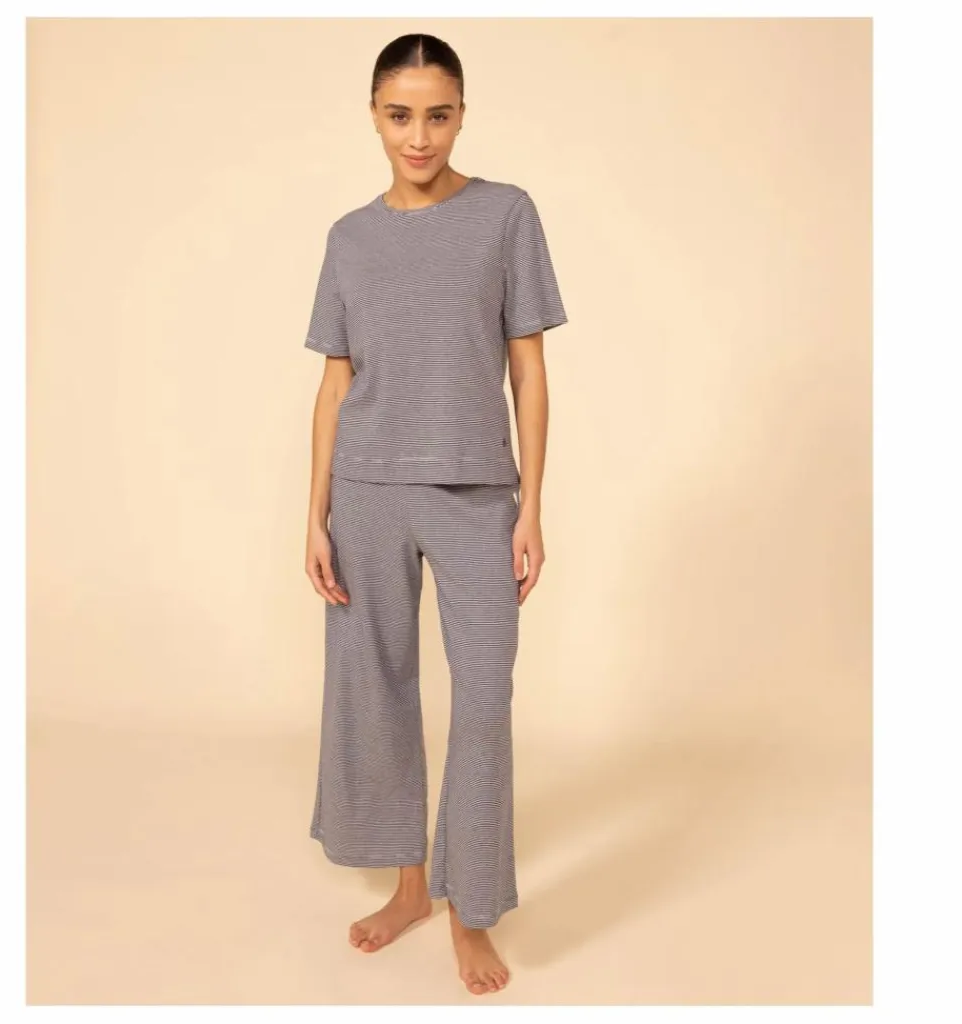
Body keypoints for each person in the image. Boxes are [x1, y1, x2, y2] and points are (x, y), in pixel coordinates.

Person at [302, 32, 567, 997]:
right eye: (400, 115)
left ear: (461, 115)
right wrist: (314, 514)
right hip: (367, 492)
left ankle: (472, 910)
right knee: (376, 691)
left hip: (475, 494)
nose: (419, 136)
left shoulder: (506, 214)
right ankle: (411, 887)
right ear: (374, 115)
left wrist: (532, 506)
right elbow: (336, 385)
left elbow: (529, 370)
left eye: (438, 115)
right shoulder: (348, 237)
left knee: (485, 699)